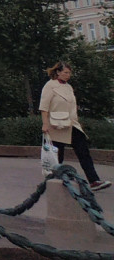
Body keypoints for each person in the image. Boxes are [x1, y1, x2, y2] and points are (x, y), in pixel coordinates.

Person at [40, 61, 110, 192]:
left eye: (69, 73)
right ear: (58, 72)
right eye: (65, 72)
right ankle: (53, 182)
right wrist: (45, 124)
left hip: (71, 124)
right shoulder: (49, 86)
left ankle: (94, 181)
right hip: (56, 125)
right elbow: (44, 107)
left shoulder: (68, 87)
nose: (68, 75)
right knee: (57, 156)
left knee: (83, 151)